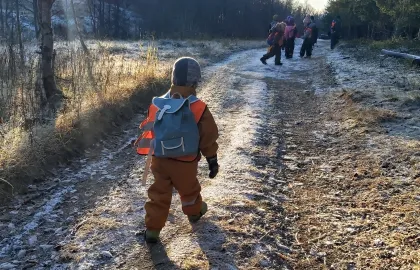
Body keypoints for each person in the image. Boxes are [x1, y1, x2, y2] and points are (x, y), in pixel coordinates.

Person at [135, 57, 219, 244]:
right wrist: (212, 159)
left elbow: (152, 130)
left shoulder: (158, 103)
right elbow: (208, 137)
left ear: (173, 78)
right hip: (185, 161)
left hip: (160, 159)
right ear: (195, 81)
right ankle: (194, 213)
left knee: (158, 194)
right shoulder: (198, 107)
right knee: (189, 191)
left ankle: (152, 231)